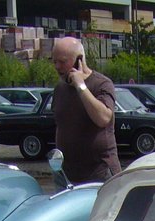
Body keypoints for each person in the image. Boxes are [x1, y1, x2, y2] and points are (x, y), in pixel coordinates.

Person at [51, 36, 120, 184]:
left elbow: (103, 118)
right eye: (54, 61)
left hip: (100, 172)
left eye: (62, 61)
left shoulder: (101, 84)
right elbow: (61, 125)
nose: (57, 66)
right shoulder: (60, 89)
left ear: (79, 60)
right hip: (66, 174)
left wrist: (80, 86)